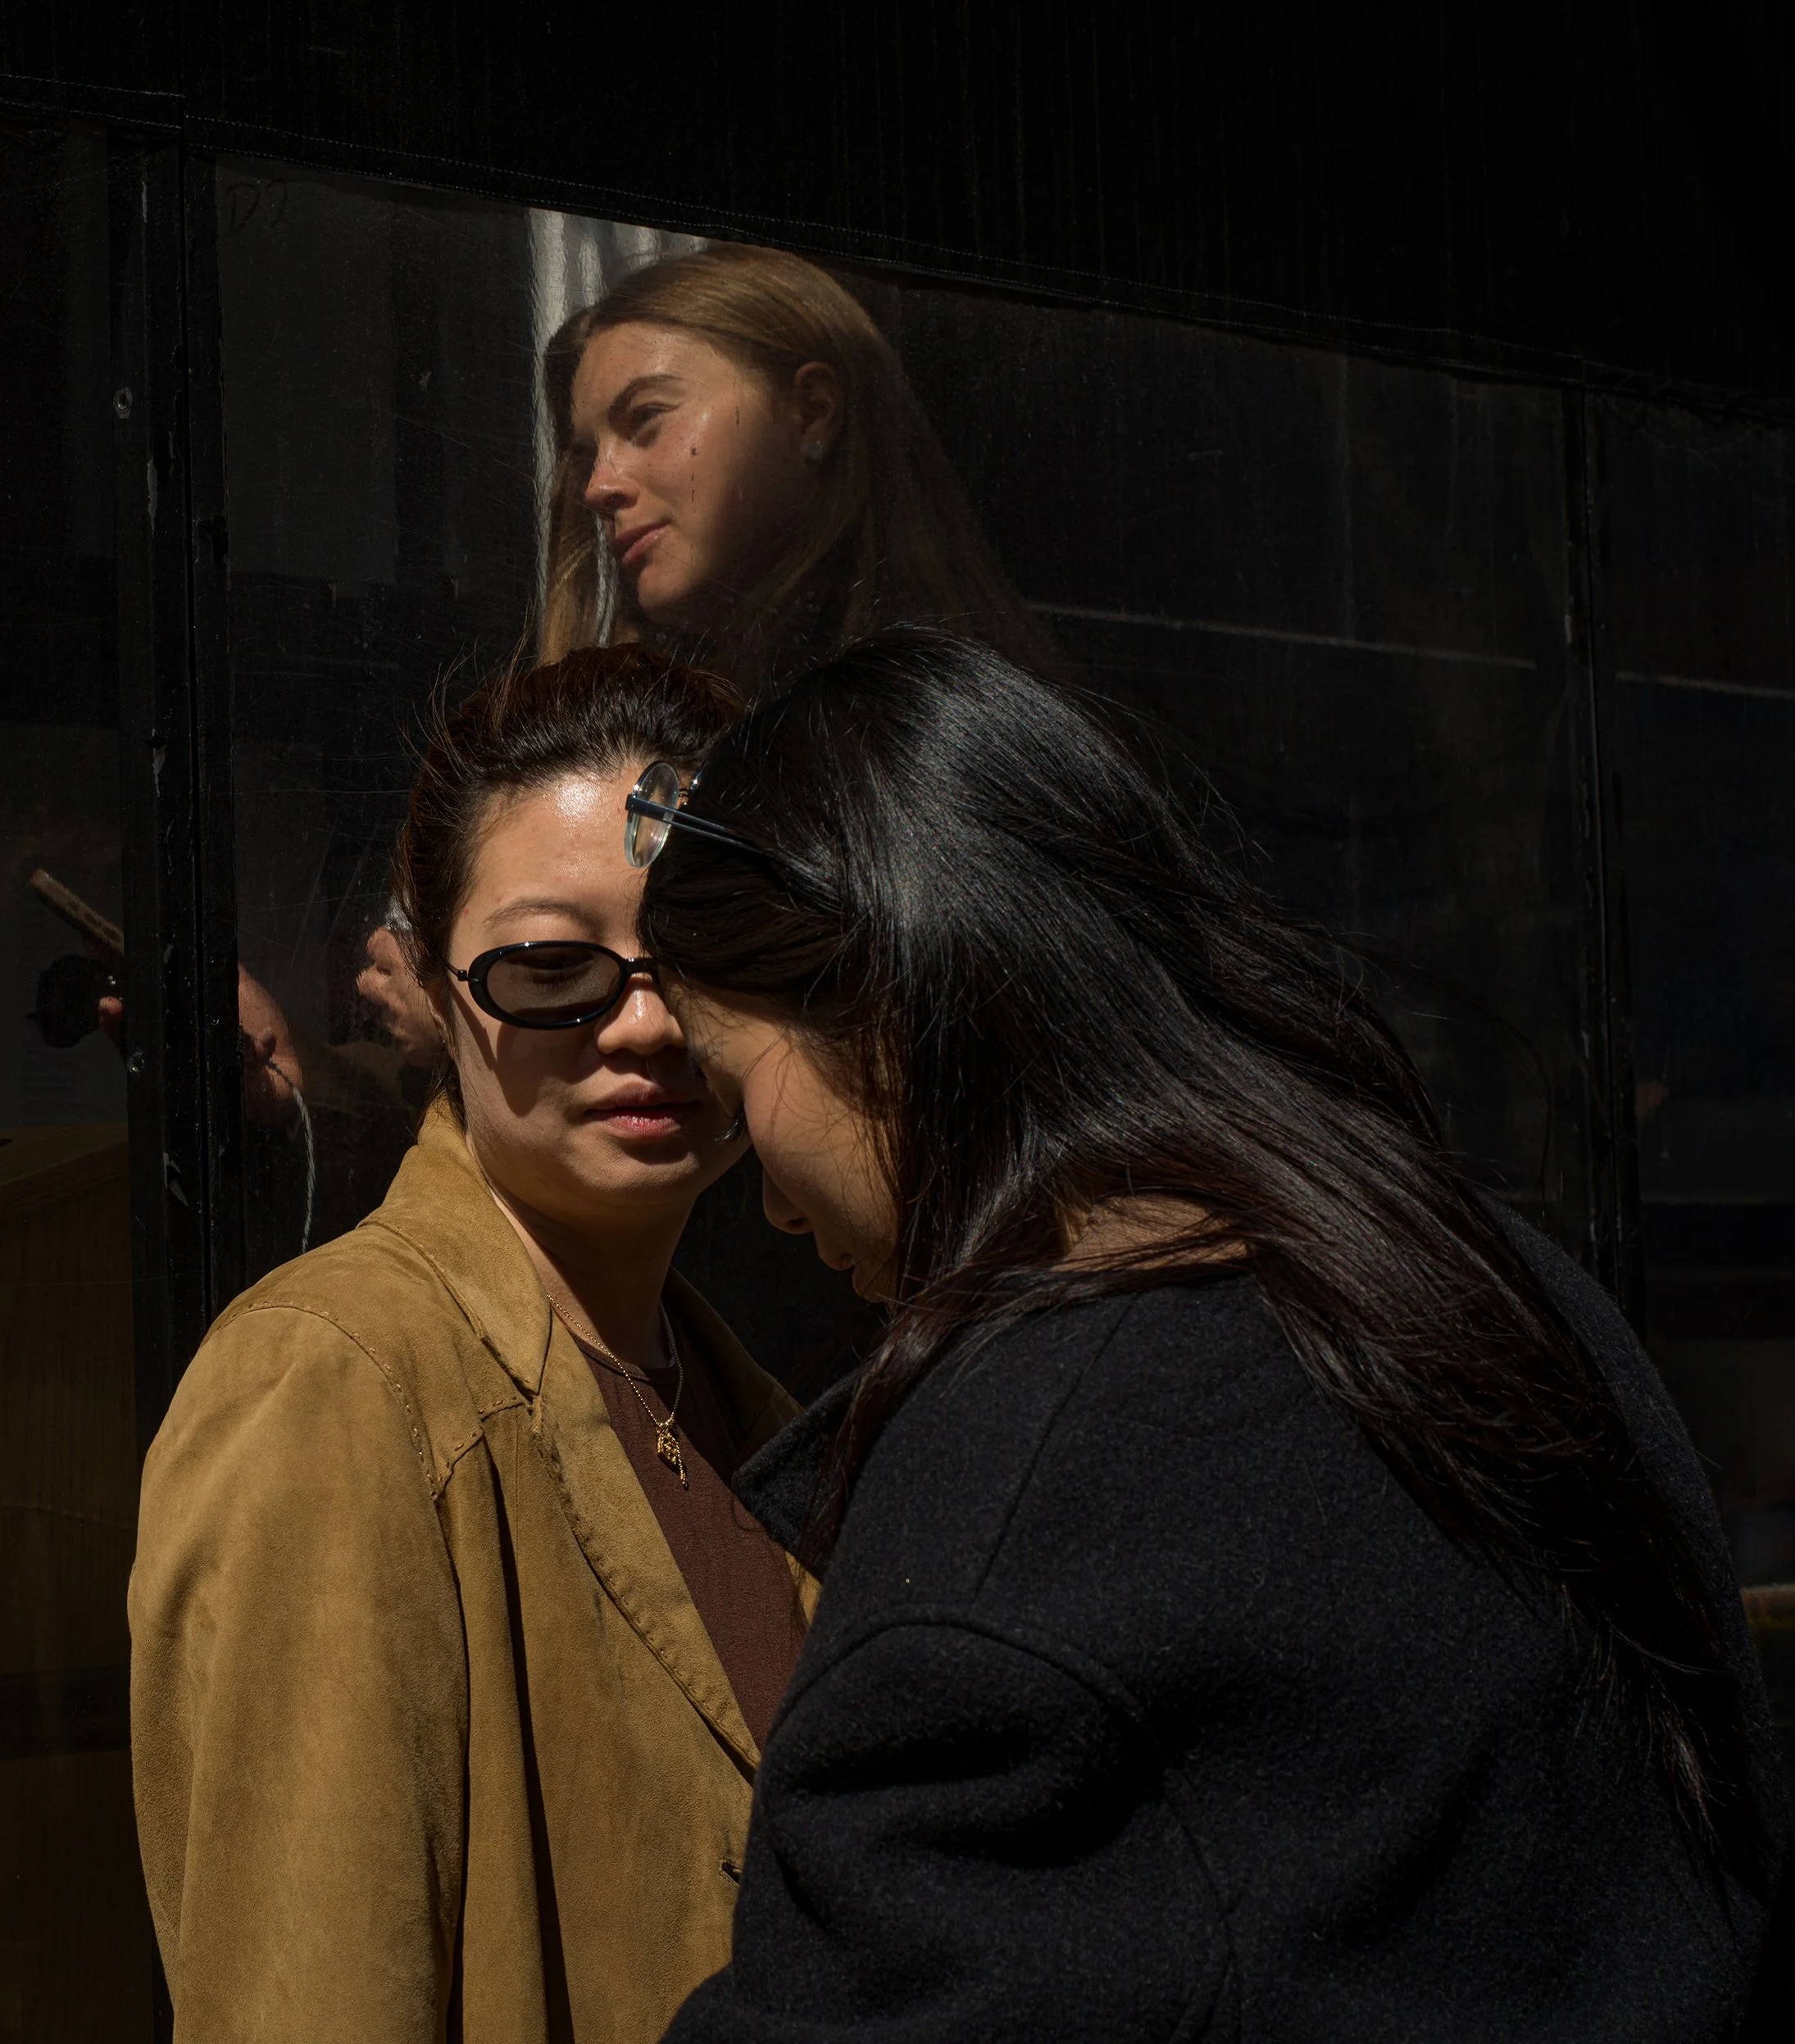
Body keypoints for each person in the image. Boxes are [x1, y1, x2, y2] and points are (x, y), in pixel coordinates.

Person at [632, 629, 1791, 2042]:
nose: (758, 1195)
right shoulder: (1500, 1286)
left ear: (880, 1000)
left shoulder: (1027, 1482)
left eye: (726, 1076)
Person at [129, 647, 813, 2044]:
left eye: (699, 956)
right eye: (550, 966)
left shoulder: (758, 1411)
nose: (643, 1022)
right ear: (437, 994)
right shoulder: (337, 1379)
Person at [542, 243, 1066, 696]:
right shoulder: (650, 713)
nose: (597, 487)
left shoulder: (925, 719)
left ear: (812, 411)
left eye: (646, 418)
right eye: (588, 454)